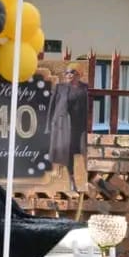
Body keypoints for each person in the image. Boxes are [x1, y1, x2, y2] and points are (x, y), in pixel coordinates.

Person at [46, 63, 89, 191]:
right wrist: (49, 126)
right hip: (64, 125)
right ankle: (72, 180)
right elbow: (52, 107)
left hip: (80, 125)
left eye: (72, 72)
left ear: (79, 75)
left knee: (85, 150)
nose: (69, 75)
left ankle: (88, 178)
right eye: (67, 73)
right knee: (68, 152)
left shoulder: (86, 88)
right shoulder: (60, 88)